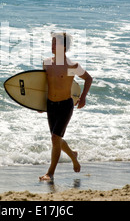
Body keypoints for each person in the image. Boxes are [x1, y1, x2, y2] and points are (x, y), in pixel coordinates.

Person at [39, 32, 93, 181]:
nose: (52, 45)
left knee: (56, 138)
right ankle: (73, 155)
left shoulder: (71, 66)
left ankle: (50, 173)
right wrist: (39, 104)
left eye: (55, 43)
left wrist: (83, 97)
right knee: (56, 138)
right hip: (51, 105)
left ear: (63, 47)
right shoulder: (47, 63)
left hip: (65, 105)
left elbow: (88, 78)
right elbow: (42, 85)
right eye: (51, 42)